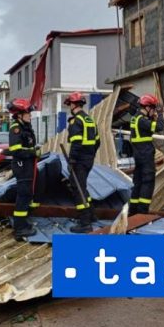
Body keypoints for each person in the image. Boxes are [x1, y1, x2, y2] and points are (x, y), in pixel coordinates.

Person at [64, 91, 101, 233]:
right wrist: (90, 155)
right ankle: (92, 215)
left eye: (70, 104)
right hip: (88, 159)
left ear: (73, 105)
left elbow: (76, 143)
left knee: (77, 189)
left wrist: (72, 160)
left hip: (79, 160)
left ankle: (85, 223)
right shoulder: (90, 120)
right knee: (82, 186)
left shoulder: (76, 121)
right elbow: (97, 142)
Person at [6, 98, 38, 240]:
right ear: (19, 114)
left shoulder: (25, 127)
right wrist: (33, 152)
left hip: (27, 165)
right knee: (23, 195)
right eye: (28, 113)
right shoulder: (16, 128)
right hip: (22, 165)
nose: (30, 115)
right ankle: (19, 228)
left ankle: (23, 223)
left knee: (27, 194)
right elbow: (16, 150)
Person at [129, 94, 164, 216]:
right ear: (148, 107)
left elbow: (147, 130)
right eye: (153, 109)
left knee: (138, 183)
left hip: (138, 155)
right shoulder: (142, 120)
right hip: (145, 155)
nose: (154, 111)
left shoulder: (135, 118)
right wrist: (160, 114)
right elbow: (159, 127)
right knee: (148, 182)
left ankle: (133, 212)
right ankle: (142, 212)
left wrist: (153, 118)